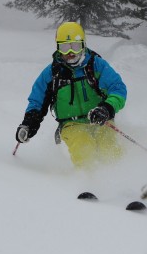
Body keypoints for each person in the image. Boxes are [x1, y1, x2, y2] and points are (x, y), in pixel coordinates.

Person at [15, 22, 127, 169]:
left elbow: (118, 88)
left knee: (109, 150)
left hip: (100, 118)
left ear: (83, 44)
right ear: (58, 48)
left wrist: (107, 108)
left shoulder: (96, 65)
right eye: (65, 47)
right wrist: (29, 124)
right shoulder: (52, 74)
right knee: (84, 147)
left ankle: (121, 179)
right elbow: (37, 100)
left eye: (75, 46)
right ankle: (89, 183)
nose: (70, 53)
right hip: (71, 124)